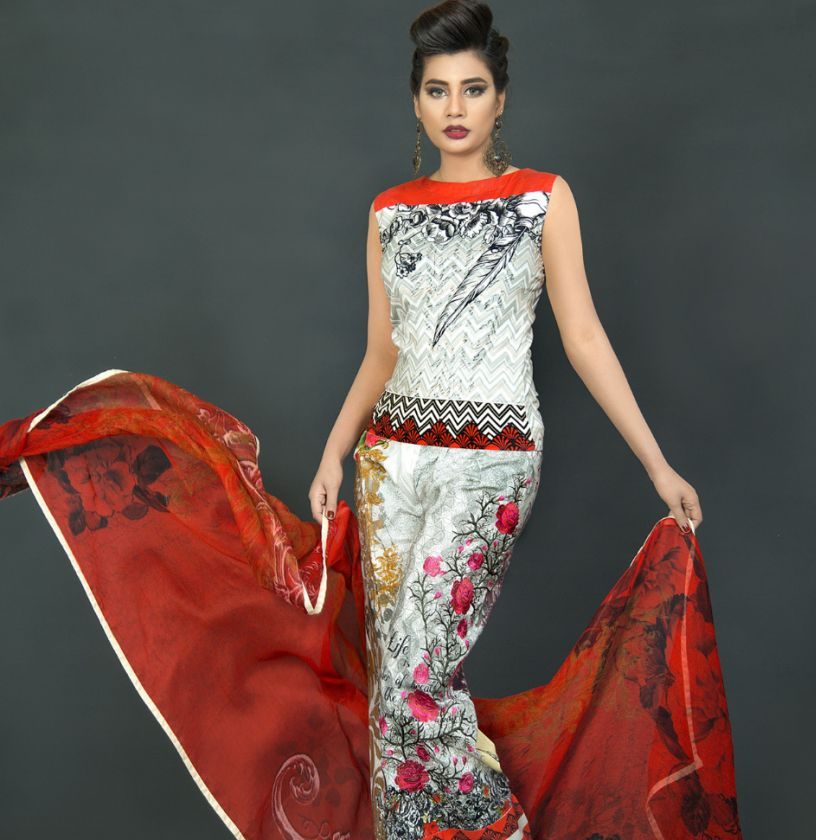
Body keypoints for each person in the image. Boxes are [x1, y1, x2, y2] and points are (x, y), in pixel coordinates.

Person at [0, 1, 742, 839]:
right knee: (393, 694)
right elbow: (381, 353)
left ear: (500, 99)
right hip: (390, 460)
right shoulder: (389, 211)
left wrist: (656, 465)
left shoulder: (540, 199)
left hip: (492, 459)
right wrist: (333, 453)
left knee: (416, 682)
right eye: (436, 90)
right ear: (416, 102)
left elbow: (583, 338)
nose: (454, 108)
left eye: (472, 89)